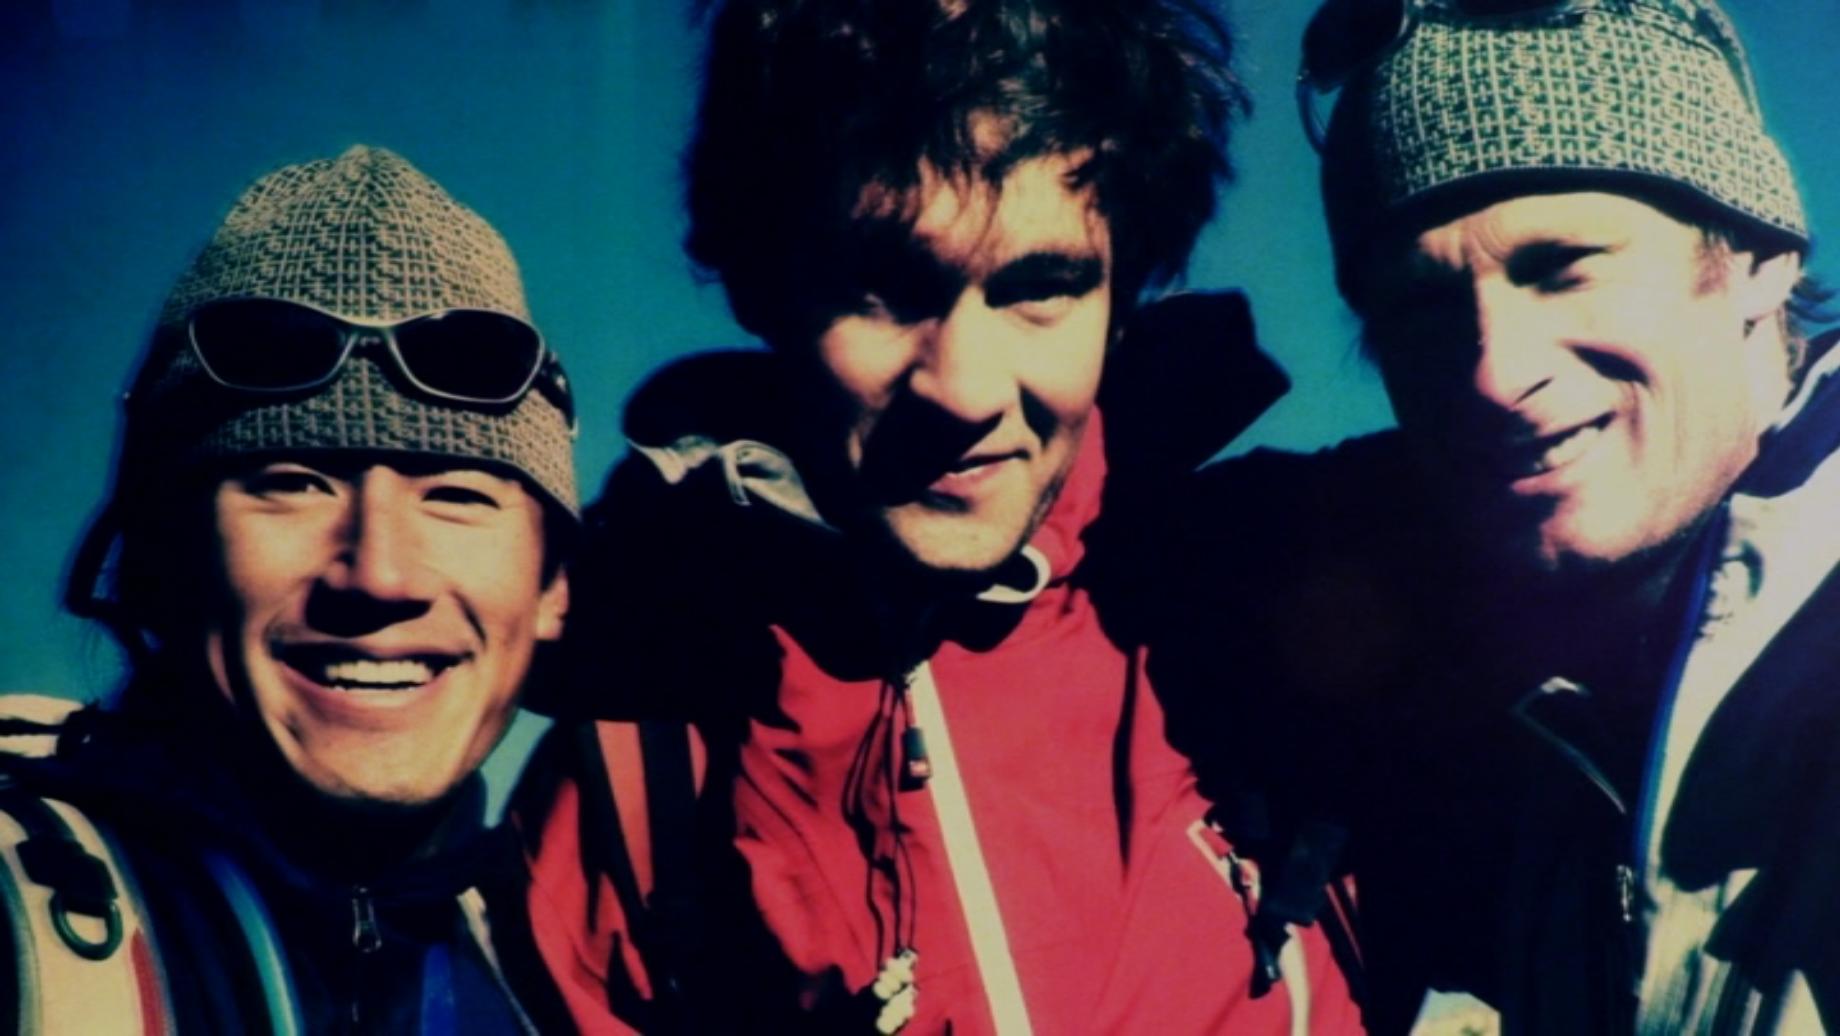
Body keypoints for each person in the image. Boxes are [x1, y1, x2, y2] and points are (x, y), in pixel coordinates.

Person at [530, 0, 1367, 1032]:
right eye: (884, 289)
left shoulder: (1288, 603)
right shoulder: (638, 771)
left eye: (1042, 286)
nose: (964, 391)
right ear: (766, 290)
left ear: (1124, 300)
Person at [1164, 0, 1838, 1033]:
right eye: (1421, 309)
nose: (1491, 371)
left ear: (1756, 256)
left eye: (1561, 267)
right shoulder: (1509, 715)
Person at [6, 145, 589, 1032]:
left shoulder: (564, 988)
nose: (379, 574)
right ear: (159, 560)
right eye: (292, 483)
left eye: (457, 495)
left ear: (554, 586)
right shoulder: (17, 929)